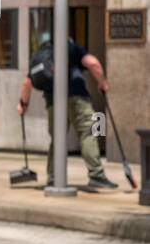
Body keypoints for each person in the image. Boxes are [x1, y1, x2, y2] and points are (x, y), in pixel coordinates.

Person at [18, 33, 117, 190]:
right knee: (88, 133)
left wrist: (23, 105)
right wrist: (102, 83)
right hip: (77, 96)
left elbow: (27, 83)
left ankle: (53, 177)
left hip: (53, 100)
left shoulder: (40, 55)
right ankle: (97, 175)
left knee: (58, 138)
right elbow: (93, 64)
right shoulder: (71, 48)